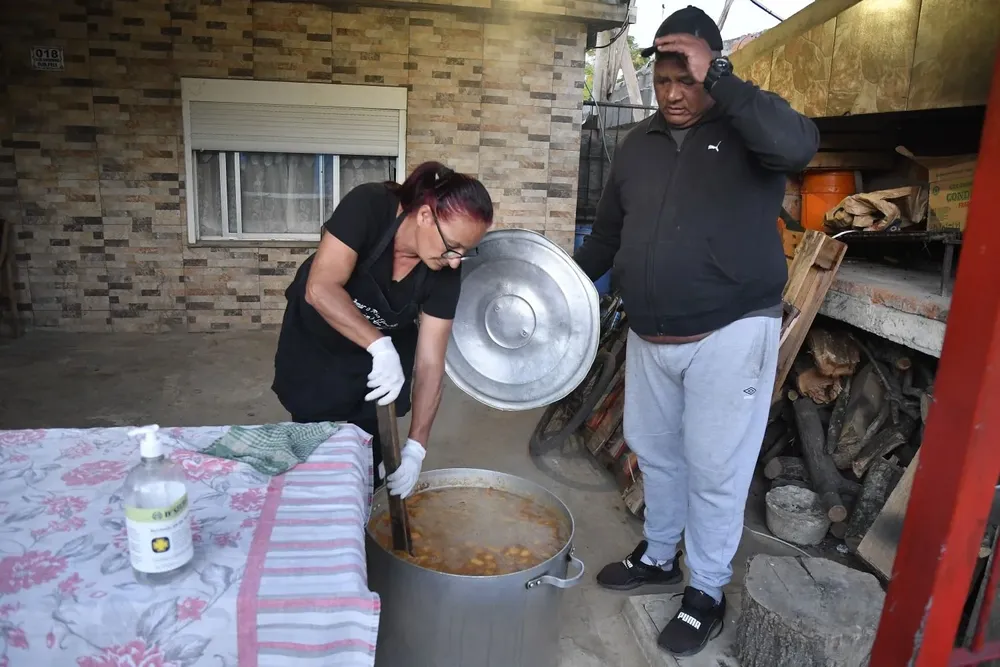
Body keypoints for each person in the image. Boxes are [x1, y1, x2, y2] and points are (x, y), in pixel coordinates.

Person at [573, 6, 819, 657]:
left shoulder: (748, 129)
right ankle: (660, 559)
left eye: (689, 79)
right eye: (664, 81)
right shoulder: (638, 146)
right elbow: (605, 237)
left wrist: (727, 83)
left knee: (716, 470)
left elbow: (801, 145)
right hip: (652, 335)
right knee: (654, 453)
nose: (675, 94)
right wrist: (562, 292)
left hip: (731, 330)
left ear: (713, 69)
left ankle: (705, 593)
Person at [272, 161, 494, 498]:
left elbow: (431, 363)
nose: (453, 261)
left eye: (464, 252)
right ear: (423, 216)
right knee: (318, 454)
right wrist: (379, 345)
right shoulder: (370, 206)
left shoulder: (445, 270)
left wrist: (417, 447)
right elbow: (321, 288)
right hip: (319, 347)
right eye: (452, 246)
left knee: (370, 452)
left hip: (381, 357)